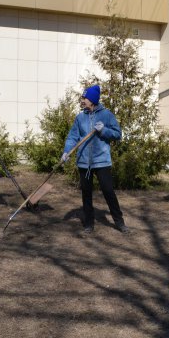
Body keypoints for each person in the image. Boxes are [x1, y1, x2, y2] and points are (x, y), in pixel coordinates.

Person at [62, 85, 128, 234]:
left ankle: (119, 222)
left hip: (101, 161)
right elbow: (72, 137)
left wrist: (104, 130)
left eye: (84, 98)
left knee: (108, 191)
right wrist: (66, 151)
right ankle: (88, 223)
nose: (82, 100)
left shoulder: (107, 115)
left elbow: (118, 134)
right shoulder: (80, 118)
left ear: (92, 100)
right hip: (84, 162)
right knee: (86, 194)